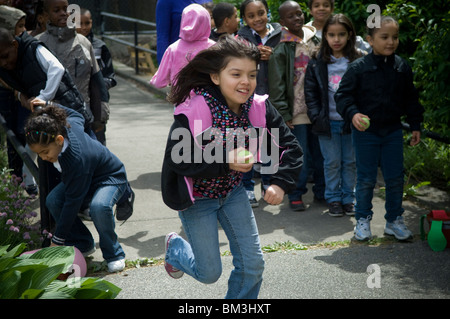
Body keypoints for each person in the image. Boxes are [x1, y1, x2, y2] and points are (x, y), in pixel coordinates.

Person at [161, 36, 302, 298]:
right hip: (198, 199)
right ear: (216, 76)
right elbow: (177, 159)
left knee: (253, 265)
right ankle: (176, 250)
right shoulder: (194, 109)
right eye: (236, 74)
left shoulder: (258, 107)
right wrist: (226, 160)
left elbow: (290, 148)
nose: (246, 82)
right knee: (209, 273)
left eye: (251, 74)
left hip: (234, 194)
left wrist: (281, 183)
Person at [335, 16, 424, 241]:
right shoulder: (358, 68)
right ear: (370, 40)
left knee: (395, 178)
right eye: (384, 37)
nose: (391, 42)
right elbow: (343, 96)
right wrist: (353, 113)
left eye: (394, 37)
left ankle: (394, 220)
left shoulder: (402, 66)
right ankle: (363, 220)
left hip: (393, 131)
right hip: (366, 133)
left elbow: (411, 99)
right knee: (366, 179)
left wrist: (415, 125)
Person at [24, 102, 129, 272]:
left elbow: (72, 204)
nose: (43, 158)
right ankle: (83, 243)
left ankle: (114, 253)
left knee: (99, 207)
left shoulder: (76, 160)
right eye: (39, 154)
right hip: (84, 178)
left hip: (110, 177)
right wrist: (48, 105)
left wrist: (57, 240)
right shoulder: (67, 126)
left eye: (45, 152)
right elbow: (77, 114)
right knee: (53, 200)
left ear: (59, 140)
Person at [305, 14, 364, 217]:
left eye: (341, 34)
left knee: (350, 162)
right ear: (325, 36)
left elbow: (364, 91)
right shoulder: (316, 61)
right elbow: (310, 92)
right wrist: (315, 116)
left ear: (349, 35)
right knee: (331, 163)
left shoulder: (358, 59)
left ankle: (349, 198)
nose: (336, 39)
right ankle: (333, 199)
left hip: (351, 122)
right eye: (331, 35)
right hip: (327, 123)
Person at [268, 0, 324, 211]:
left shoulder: (316, 40)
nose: (297, 18)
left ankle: (322, 191)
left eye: (299, 14)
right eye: (290, 16)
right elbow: (277, 85)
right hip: (296, 112)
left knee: (320, 154)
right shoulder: (281, 49)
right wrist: (283, 113)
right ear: (282, 22)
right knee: (299, 155)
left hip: (317, 109)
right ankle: (295, 193)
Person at [36, 0, 109, 138]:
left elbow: (96, 83)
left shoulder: (83, 43)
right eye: (56, 10)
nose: (63, 13)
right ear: (46, 15)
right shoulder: (39, 44)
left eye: (66, 9)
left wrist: (99, 117)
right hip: (50, 120)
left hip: (83, 117)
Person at [237, 0, 282, 207]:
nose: (257, 19)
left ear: (268, 13)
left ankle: (266, 183)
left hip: (274, 99)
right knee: (248, 143)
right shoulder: (240, 38)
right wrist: (255, 55)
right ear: (244, 19)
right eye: (251, 15)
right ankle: (247, 186)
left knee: (270, 144)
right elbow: (235, 64)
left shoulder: (281, 36)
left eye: (261, 13)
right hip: (249, 100)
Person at [150, 4, 215, 89]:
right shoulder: (214, 48)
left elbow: (159, 82)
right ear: (206, 22)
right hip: (208, 100)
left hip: (180, 100)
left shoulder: (173, 49)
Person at [77, 8, 117, 145]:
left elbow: (110, 75)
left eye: (87, 23)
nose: (83, 27)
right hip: (77, 103)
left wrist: (100, 85)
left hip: (97, 104)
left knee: (99, 141)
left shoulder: (100, 47)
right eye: (79, 23)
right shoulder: (68, 47)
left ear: (92, 23)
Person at [155, 0, 213, 64]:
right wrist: (163, 65)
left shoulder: (207, 1)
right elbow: (162, 36)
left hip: (205, 58)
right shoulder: (165, 2)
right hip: (178, 60)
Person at [305, 0, 370, 53]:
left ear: (332, 9)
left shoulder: (340, 25)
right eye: (316, 6)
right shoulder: (305, 31)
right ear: (310, 10)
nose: (321, 8)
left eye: (326, 5)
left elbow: (360, 44)